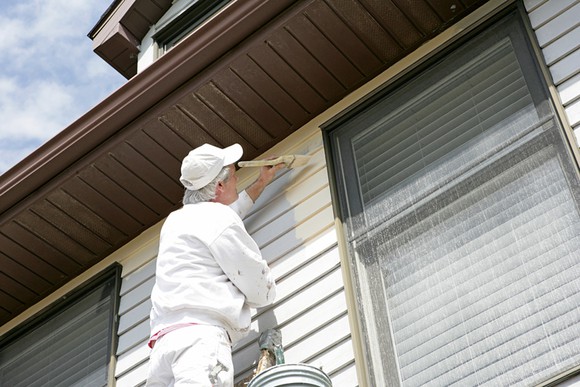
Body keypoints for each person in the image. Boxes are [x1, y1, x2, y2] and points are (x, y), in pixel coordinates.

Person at [146, 143, 285, 386]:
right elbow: (260, 290)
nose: (237, 179)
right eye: (233, 175)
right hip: (200, 342)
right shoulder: (219, 221)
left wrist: (261, 182)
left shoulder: (176, 222)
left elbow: (221, 219)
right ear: (219, 186)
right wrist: (267, 288)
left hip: (164, 347)